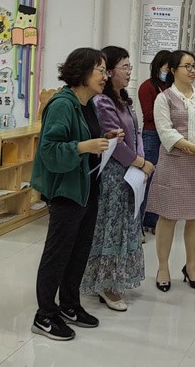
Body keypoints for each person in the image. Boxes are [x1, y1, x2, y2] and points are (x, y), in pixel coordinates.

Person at [30, 47, 124, 341]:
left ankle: (69, 305)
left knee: (79, 249)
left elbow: (84, 138)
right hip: (66, 190)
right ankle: (45, 315)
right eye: (100, 70)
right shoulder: (62, 104)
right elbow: (49, 150)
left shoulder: (87, 103)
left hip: (87, 186)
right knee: (58, 253)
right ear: (82, 73)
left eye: (106, 70)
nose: (105, 76)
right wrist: (84, 147)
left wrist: (103, 139)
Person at [80, 46, 154, 312]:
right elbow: (115, 144)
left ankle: (114, 278)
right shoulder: (103, 102)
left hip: (130, 172)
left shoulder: (124, 99)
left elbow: (136, 134)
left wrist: (141, 162)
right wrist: (140, 163)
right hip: (113, 175)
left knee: (125, 227)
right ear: (109, 72)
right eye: (124, 67)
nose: (129, 72)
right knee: (110, 228)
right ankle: (105, 283)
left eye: (130, 67)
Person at [146, 50, 195, 292]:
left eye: (194, 66)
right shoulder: (164, 98)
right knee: (168, 216)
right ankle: (163, 268)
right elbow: (165, 131)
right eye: (186, 66)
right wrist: (193, 147)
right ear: (173, 70)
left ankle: (191, 267)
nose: (192, 70)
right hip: (173, 163)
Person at [138, 50, 171, 234]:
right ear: (158, 66)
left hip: (168, 136)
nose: (169, 71)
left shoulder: (171, 87)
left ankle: (152, 221)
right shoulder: (147, 86)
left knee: (161, 181)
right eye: (167, 67)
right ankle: (139, 224)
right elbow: (148, 115)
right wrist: (167, 112)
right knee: (147, 179)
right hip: (152, 135)